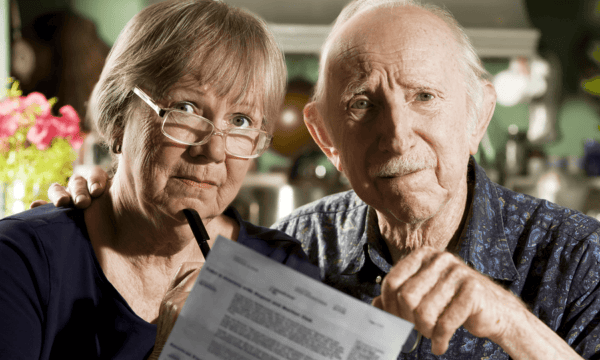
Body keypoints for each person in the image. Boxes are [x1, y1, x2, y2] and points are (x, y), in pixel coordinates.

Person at [43, 0, 600, 359]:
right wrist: (101, 212)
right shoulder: (294, 251)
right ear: (325, 135)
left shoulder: (580, 258)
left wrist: (513, 325)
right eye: (362, 104)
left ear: (479, 114)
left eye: (424, 97)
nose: (397, 136)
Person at [1, 1, 320, 359]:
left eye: (242, 121)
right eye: (186, 109)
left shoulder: (280, 269)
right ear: (120, 116)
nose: (214, 150)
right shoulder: (20, 261)